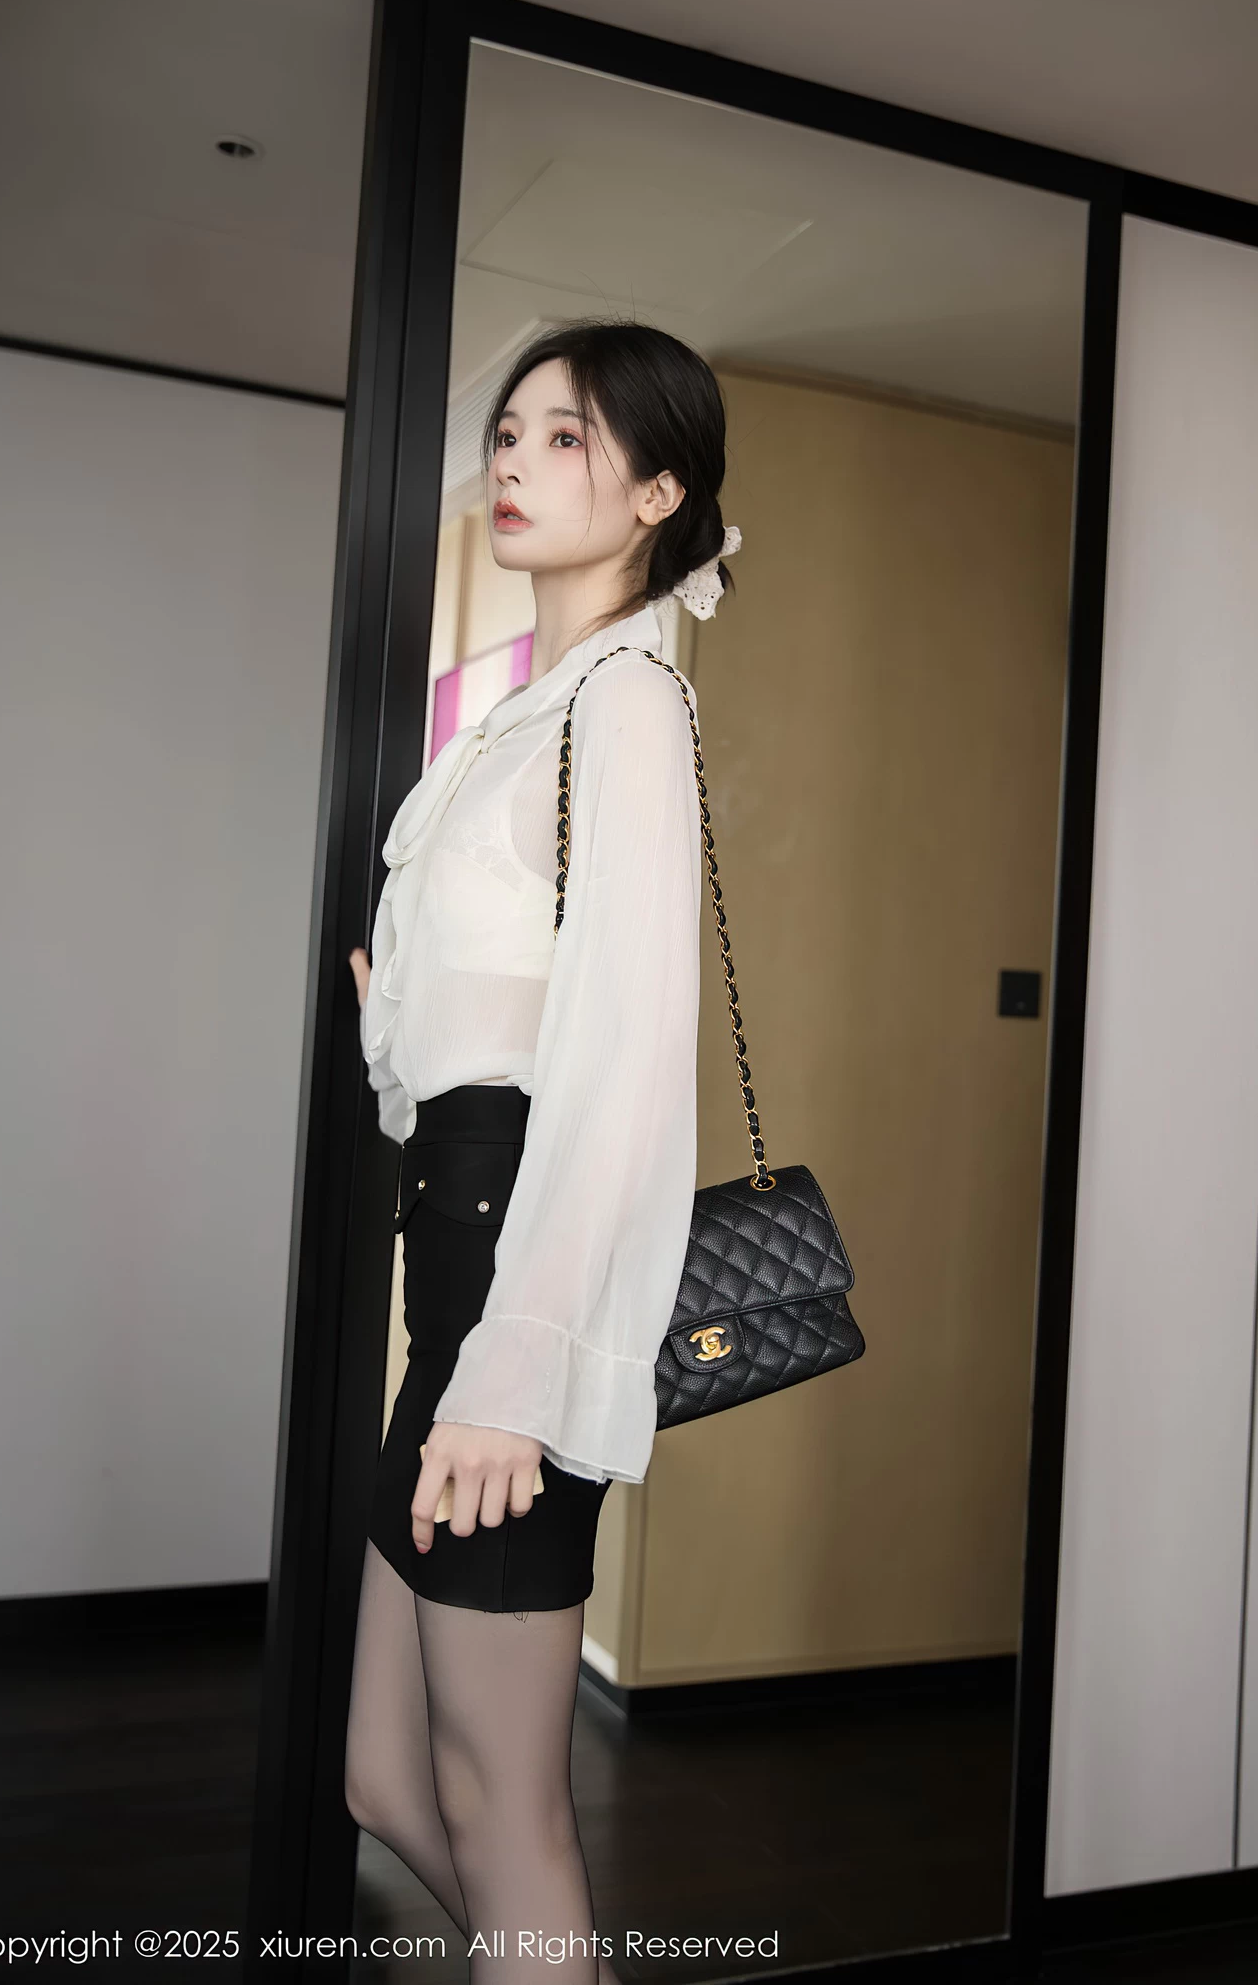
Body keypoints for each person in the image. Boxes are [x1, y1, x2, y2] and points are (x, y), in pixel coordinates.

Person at [341, 319, 740, 1984]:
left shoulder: (633, 703)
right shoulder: (522, 713)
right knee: (382, 1774)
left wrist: (517, 1367)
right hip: (455, 1249)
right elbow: (485, 1022)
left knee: (506, 1812)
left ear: (658, 493)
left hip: (518, 1277)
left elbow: (626, 1067)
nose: (512, 458)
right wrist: (399, 1010)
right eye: (508, 432)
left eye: (564, 436)